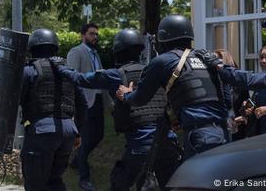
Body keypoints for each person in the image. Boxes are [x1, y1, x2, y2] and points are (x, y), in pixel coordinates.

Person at [55, 28, 181, 191]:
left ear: (118, 53)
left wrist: (60, 67)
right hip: (168, 142)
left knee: (119, 183)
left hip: (140, 145)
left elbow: (80, 79)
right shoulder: (154, 70)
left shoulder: (115, 75)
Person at [116, 15, 228, 160]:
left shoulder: (163, 61)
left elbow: (140, 98)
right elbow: (225, 94)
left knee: (198, 180)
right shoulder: (204, 57)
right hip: (223, 132)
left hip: (199, 136)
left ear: (163, 37)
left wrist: (126, 95)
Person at [20, 28, 88, 191]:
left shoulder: (30, 71)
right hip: (68, 132)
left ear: (33, 49)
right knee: (54, 181)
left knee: (35, 184)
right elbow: (83, 104)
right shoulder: (68, 71)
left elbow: (14, 100)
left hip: (42, 131)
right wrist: (77, 132)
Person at [66, 22, 108, 191]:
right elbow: (72, 76)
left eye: (96, 34)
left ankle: (77, 161)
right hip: (83, 101)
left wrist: (109, 102)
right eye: (91, 34)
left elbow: (102, 78)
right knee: (84, 139)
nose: (95, 37)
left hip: (97, 100)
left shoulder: (96, 55)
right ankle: (84, 179)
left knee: (99, 134)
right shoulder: (76, 52)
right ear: (83, 35)